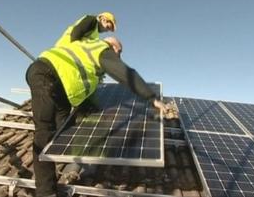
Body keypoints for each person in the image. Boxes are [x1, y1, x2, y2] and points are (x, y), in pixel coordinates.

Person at [25, 12, 167, 197]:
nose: (119, 56)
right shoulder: (100, 48)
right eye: (119, 51)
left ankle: (65, 167)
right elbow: (125, 73)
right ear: (112, 46)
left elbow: (86, 93)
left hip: (60, 90)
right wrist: (151, 98)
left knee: (62, 132)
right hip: (46, 74)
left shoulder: (90, 62)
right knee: (44, 133)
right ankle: (46, 193)